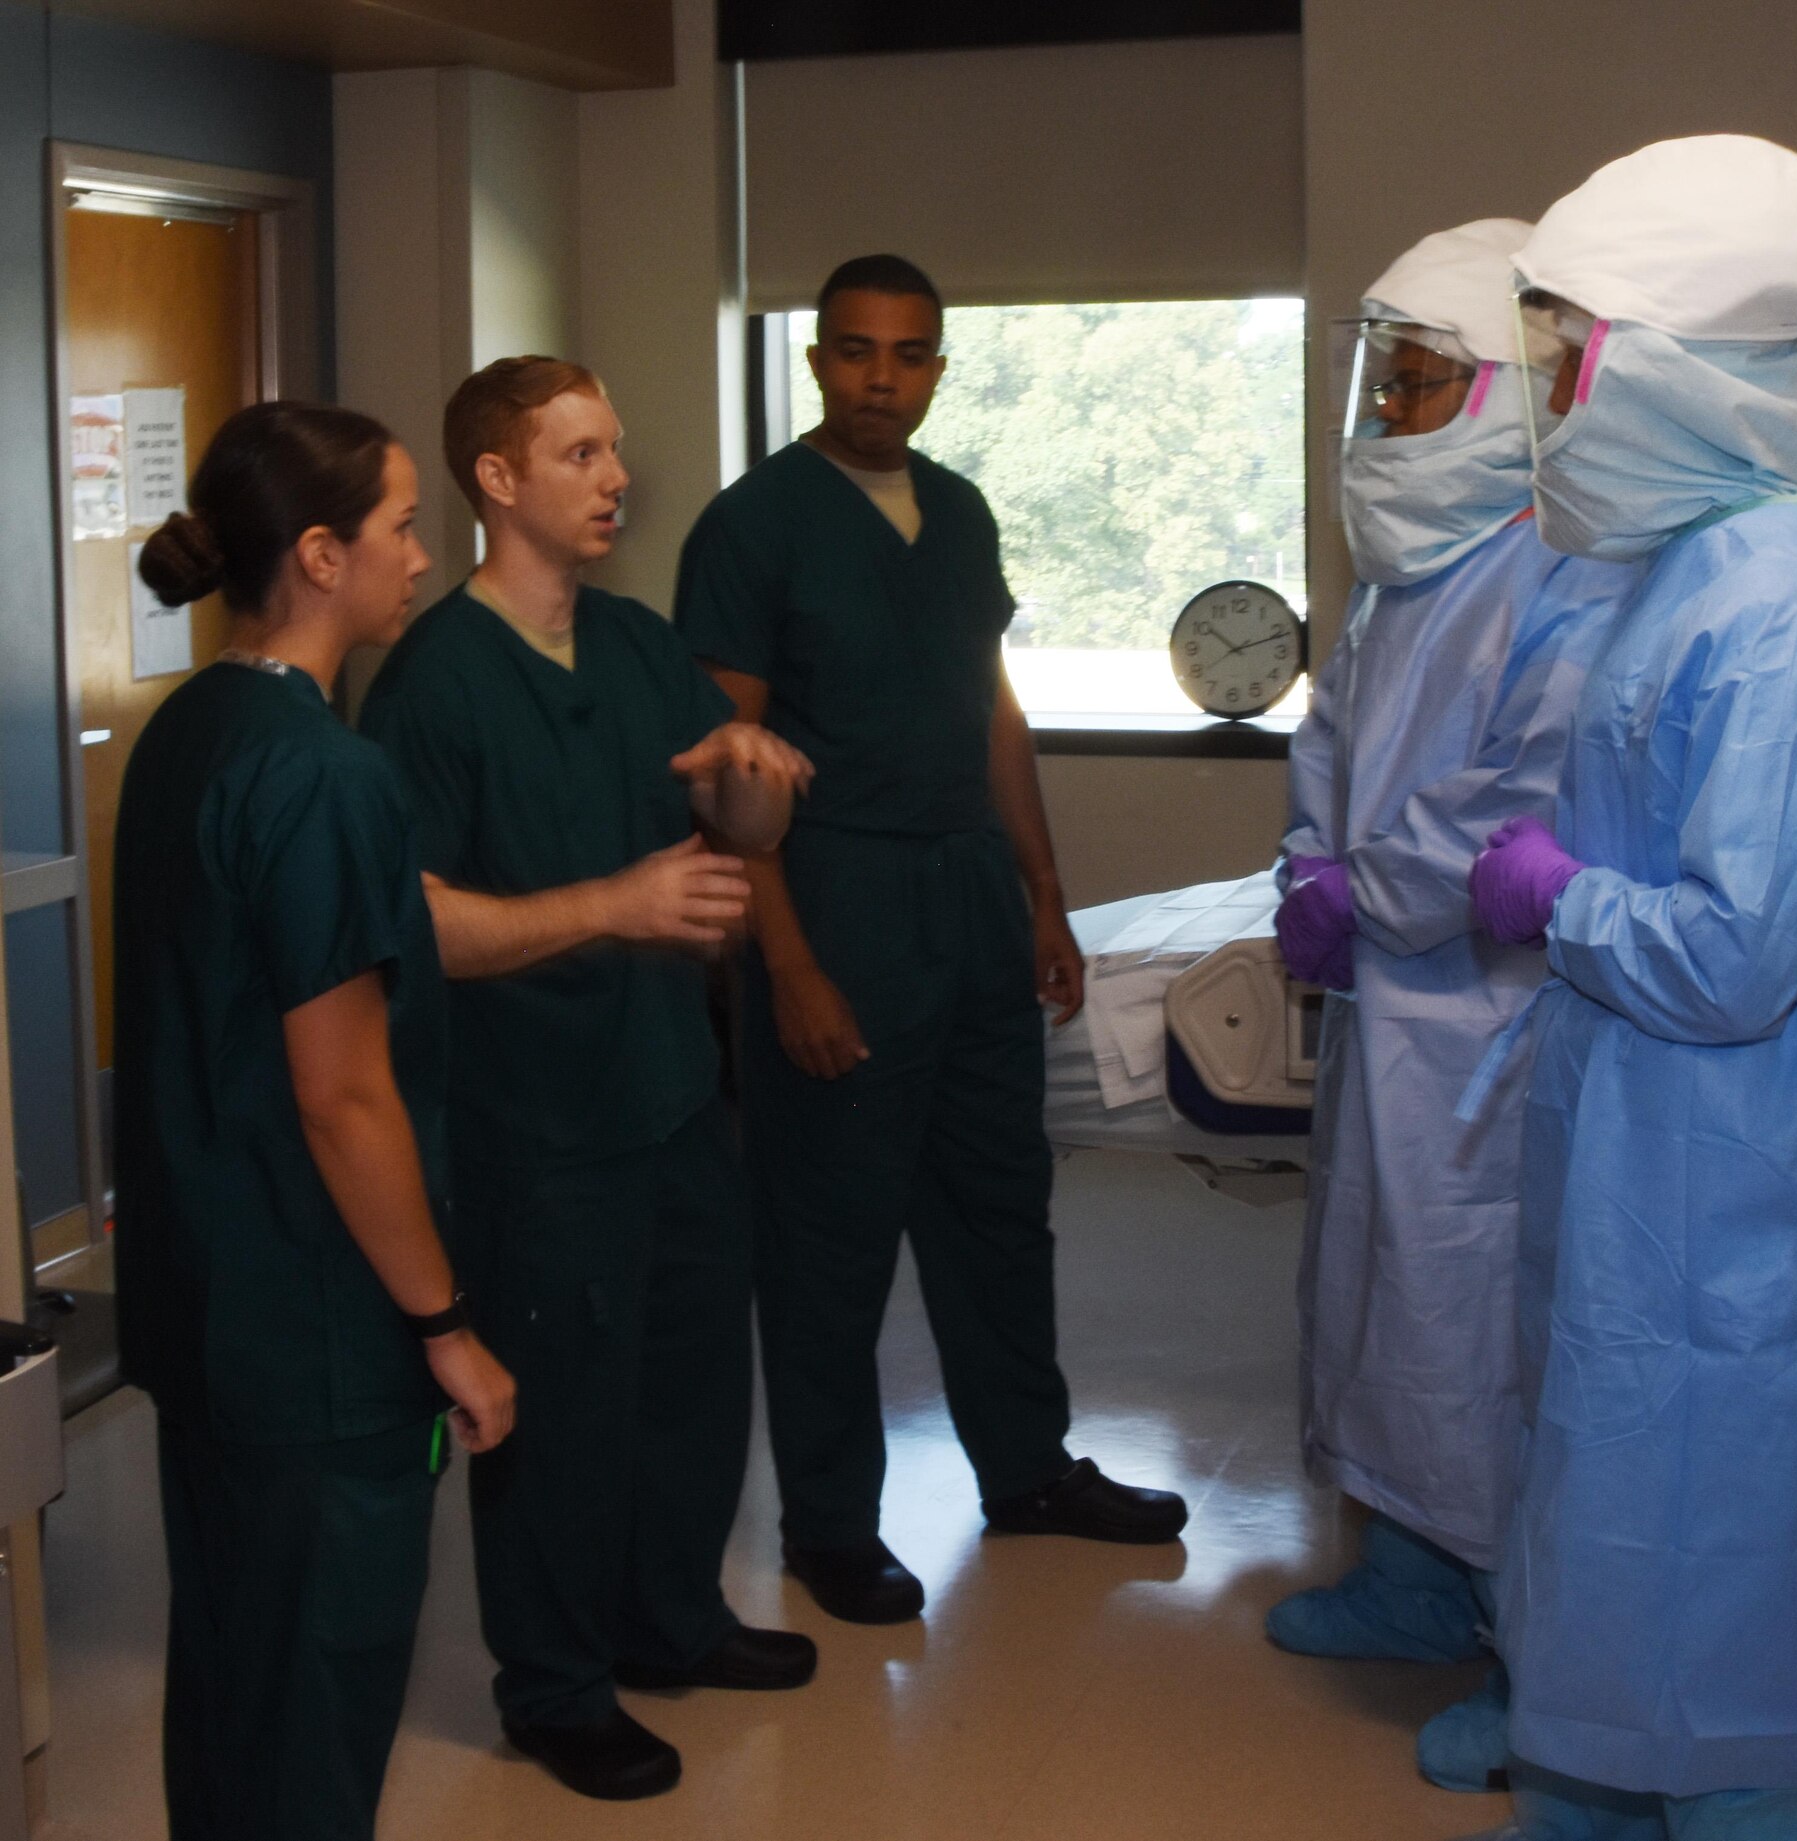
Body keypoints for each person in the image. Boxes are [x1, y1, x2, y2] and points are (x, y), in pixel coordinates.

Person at [1464, 135, 1797, 1840]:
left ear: (1670, 373)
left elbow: (1740, 957)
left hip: (1734, 1181)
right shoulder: (1685, 570)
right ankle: (1596, 1779)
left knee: (1731, 1569)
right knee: (1623, 1525)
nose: (1545, 406)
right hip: (1657, 1162)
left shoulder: (1787, 609)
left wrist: (1564, 894)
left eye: (1562, 366)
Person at [673, 253, 1187, 1626]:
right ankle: (830, 1521)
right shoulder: (756, 525)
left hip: (966, 893)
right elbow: (729, 774)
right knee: (830, 1228)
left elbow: (995, 712)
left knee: (998, 1205)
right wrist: (783, 963)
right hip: (836, 895)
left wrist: (1044, 892)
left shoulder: (957, 511)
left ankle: (1023, 1466)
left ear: (941, 369)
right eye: (853, 351)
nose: (879, 379)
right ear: (818, 361)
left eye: (907, 355)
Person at [360, 357, 817, 1802]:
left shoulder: (628, 642)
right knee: (557, 1407)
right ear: (498, 480)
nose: (617, 476)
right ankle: (554, 1685)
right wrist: (610, 908)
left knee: (690, 1376)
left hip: (670, 1084)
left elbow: (726, 819)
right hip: (534, 1116)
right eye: (580, 454)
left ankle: (667, 1618)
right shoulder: (433, 682)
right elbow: (410, 917)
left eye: (616, 448)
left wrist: (752, 771)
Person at [1261, 220, 1640, 1795]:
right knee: (1378, 1293)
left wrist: (1381, 892)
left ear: (1504, 395)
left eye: (1419, 387)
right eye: (1383, 383)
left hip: (1496, 1028)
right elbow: (1330, 754)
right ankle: (1411, 1577)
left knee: (1484, 1332)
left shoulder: (1562, 565)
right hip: (1390, 1023)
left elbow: (1519, 801)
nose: (1387, 417)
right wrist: (1303, 874)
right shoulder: (1398, 578)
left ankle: (1530, 1650)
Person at [114, 401, 517, 1841]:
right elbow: (343, 1092)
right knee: (314, 1701)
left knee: (231, 1669)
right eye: (406, 527)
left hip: (210, 1307)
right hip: (321, 1337)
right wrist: (446, 1322)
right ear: (322, 552)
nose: (425, 554)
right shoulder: (329, 778)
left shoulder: (189, 733)